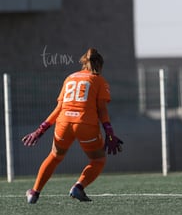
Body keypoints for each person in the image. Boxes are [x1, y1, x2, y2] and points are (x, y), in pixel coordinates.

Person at [22, 48, 123, 204]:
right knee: (98, 160)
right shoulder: (99, 80)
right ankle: (78, 187)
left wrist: (40, 130)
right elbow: (102, 111)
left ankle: (34, 192)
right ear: (100, 65)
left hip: (64, 123)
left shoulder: (69, 78)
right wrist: (109, 132)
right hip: (85, 124)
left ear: (83, 63)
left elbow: (58, 109)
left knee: (55, 156)